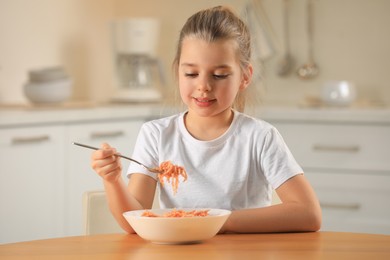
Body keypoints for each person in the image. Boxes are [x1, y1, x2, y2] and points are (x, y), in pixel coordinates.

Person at [91, 6, 321, 234]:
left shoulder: (260, 137)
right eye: (191, 73)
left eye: (219, 75)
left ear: (245, 76)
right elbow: (134, 219)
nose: (203, 86)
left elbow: (308, 213)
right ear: (177, 72)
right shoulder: (156, 134)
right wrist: (112, 180)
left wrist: (216, 221)